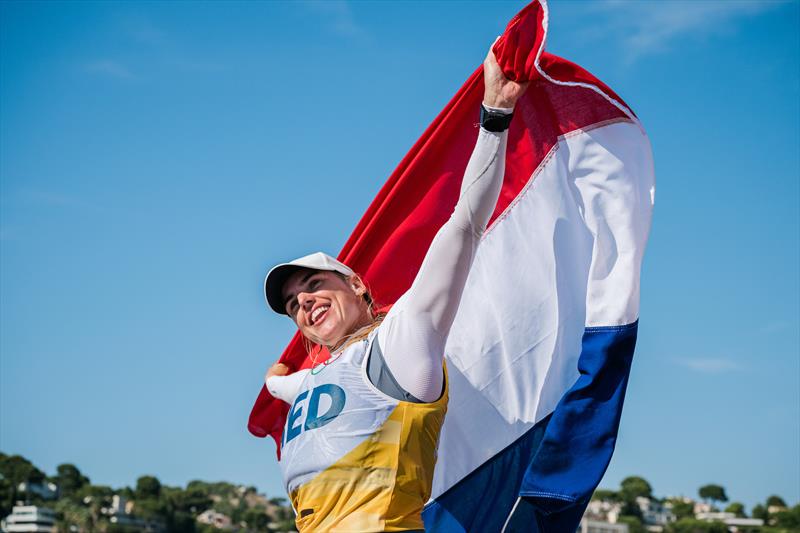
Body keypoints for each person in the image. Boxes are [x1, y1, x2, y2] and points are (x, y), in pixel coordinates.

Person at [262, 44, 528, 532]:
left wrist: (495, 116)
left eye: (315, 285)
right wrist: (274, 377)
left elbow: (462, 228)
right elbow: (281, 385)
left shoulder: (403, 340)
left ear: (357, 285)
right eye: (293, 305)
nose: (303, 303)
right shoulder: (311, 384)